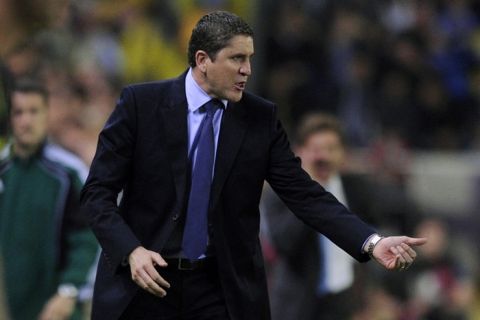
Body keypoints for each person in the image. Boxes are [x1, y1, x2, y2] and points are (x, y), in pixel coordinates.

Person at [81, 11, 426, 320]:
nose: (247, 69)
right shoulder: (141, 105)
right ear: (202, 60)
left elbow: (305, 194)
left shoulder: (260, 119)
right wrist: (131, 250)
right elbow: (97, 193)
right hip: (146, 283)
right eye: (237, 58)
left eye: (249, 58)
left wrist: (370, 242)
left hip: (219, 291)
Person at [261, 113, 382, 319]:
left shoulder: (357, 189)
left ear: (343, 153)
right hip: (296, 306)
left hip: (343, 303)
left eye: (331, 149)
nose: (323, 157)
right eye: (316, 149)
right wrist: (309, 194)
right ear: (299, 152)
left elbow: (374, 228)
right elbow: (283, 244)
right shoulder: (278, 194)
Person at [0, 80, 98, 320]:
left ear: (46, 115)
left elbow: (89, 237)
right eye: (19, 112)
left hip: (58, 310)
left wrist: (68, 290)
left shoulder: (67, 174)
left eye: (34, 111)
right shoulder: (3, 172)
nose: (26, 120)